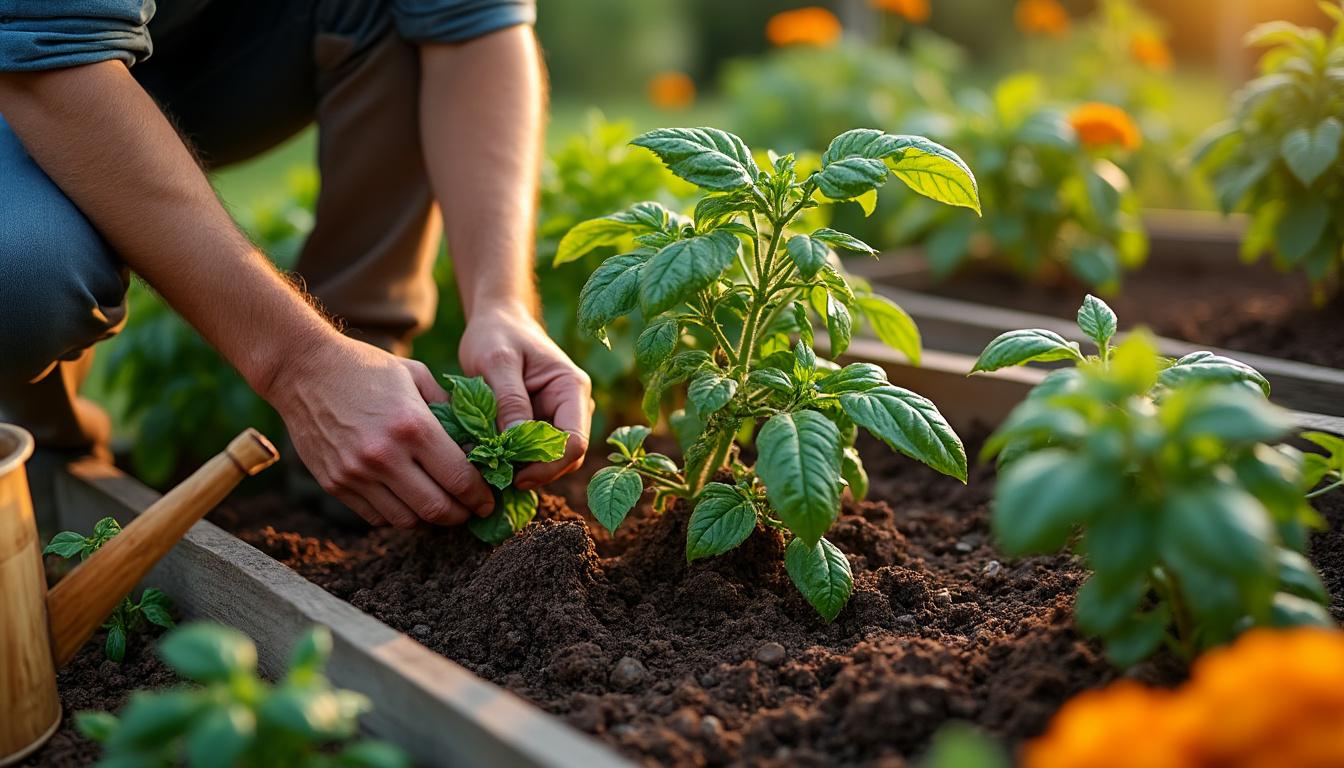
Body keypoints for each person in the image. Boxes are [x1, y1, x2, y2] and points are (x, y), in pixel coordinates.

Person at [0, 0, 594, 529]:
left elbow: (473, 22)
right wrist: (298, 364)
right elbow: (51, 50)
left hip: (201, 47)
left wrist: (502, 303)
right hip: (33, 65)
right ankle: (40, 454)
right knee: (24, 276)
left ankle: (372, 422)